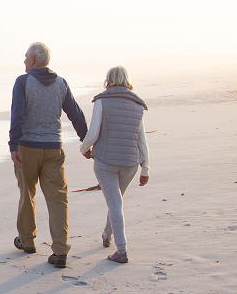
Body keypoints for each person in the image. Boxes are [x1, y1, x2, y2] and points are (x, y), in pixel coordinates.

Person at [9, 42, 88, 268]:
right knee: (57, 199)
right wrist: (86, 141)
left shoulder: (23, 82)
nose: (23, 61)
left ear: (33, 59)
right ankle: (60, 251)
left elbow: (17, 115)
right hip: (54, 147)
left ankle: (27, 241)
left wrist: (13, 145)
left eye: (25, 57)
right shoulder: (61, 83)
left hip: (27, 147)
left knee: (27, 194)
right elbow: (76, 114)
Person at [79, 65, 150, 264]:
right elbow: (141, 140)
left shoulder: (102, 101)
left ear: (108, 79)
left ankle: (121, 250)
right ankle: (106, 235)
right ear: (127, 80)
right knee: (116, 201)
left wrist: (84, 149)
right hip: (130, 163)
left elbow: (93, 133)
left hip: (105, 163)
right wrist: (146, 168)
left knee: (115, 202)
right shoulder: (137, 104)